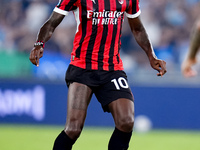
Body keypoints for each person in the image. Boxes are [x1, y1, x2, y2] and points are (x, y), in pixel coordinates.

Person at [29, 0, 167, 149]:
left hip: (112, 69)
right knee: (73, 129)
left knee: (126, 121)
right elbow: (51, 23)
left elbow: (138, 29)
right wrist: (39, 44)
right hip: (82, 67)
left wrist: (151, 56)